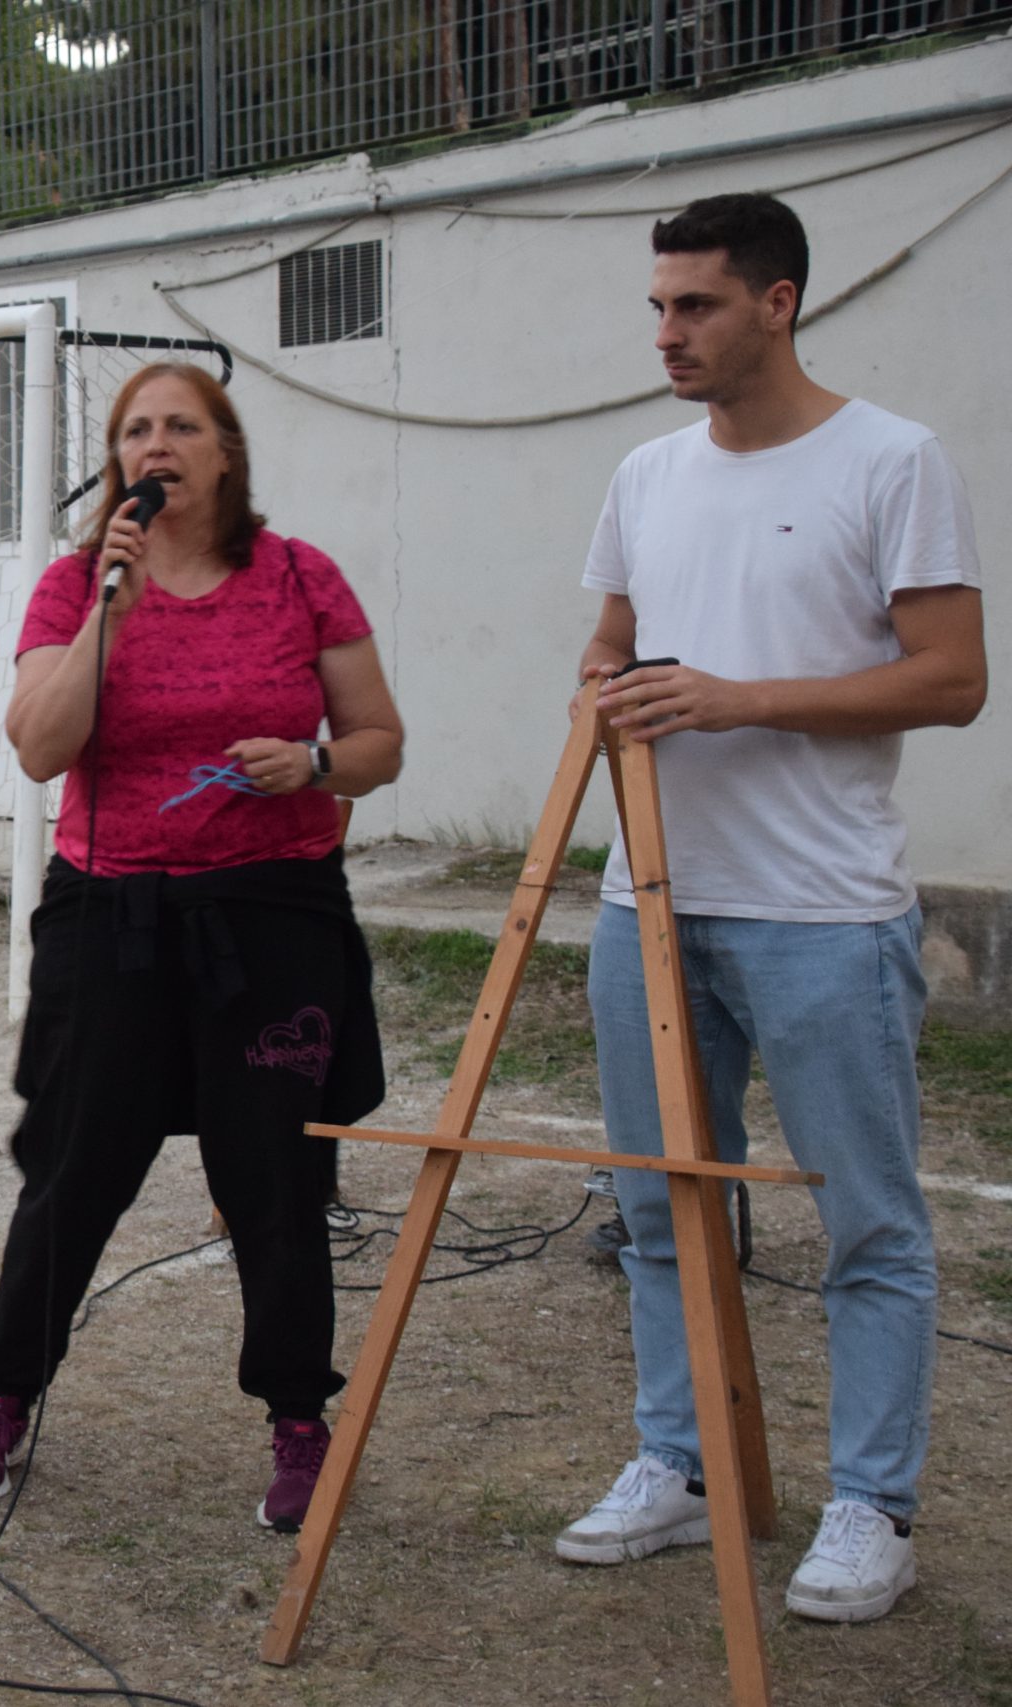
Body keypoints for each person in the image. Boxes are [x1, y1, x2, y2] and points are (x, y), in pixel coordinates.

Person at [554, 193, 985, 1623]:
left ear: (778, 301)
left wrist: (739, 699)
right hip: (647, 902)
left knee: (867, 1220)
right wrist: (601, 687)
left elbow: (952, 677)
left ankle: (873, 1503)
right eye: (658, 306)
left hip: (822, 912)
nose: (666, 333)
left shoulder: (892, 459)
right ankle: (680, 1465)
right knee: (659, 1201)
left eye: (696, 305)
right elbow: (609, 638)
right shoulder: (645, 473)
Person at [0, 362, 404, 1533]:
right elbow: (39, 751)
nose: (156, 446)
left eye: (181, 426)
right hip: (113, 914)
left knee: (275, 1178)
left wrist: (315, 765)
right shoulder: (75, 587)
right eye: (134, 430)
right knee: (72, 1168)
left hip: (271, 915)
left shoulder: (300, 576)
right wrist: (111, 614)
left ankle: (297, 1417)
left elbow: (380, 742)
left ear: (225, 450)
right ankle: (4, 1393)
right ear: (116, 461)